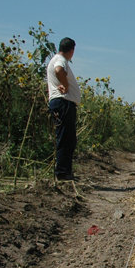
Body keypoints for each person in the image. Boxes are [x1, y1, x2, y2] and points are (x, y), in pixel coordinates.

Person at [46, 38, 81, 181]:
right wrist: (65, 86)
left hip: (63, 103)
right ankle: (62, 173)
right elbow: (59, 70)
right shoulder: (60, 60)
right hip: (63, 104)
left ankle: (65, 171)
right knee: (65, 139)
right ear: (72, 50)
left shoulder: (56, 58)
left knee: (68, 139)